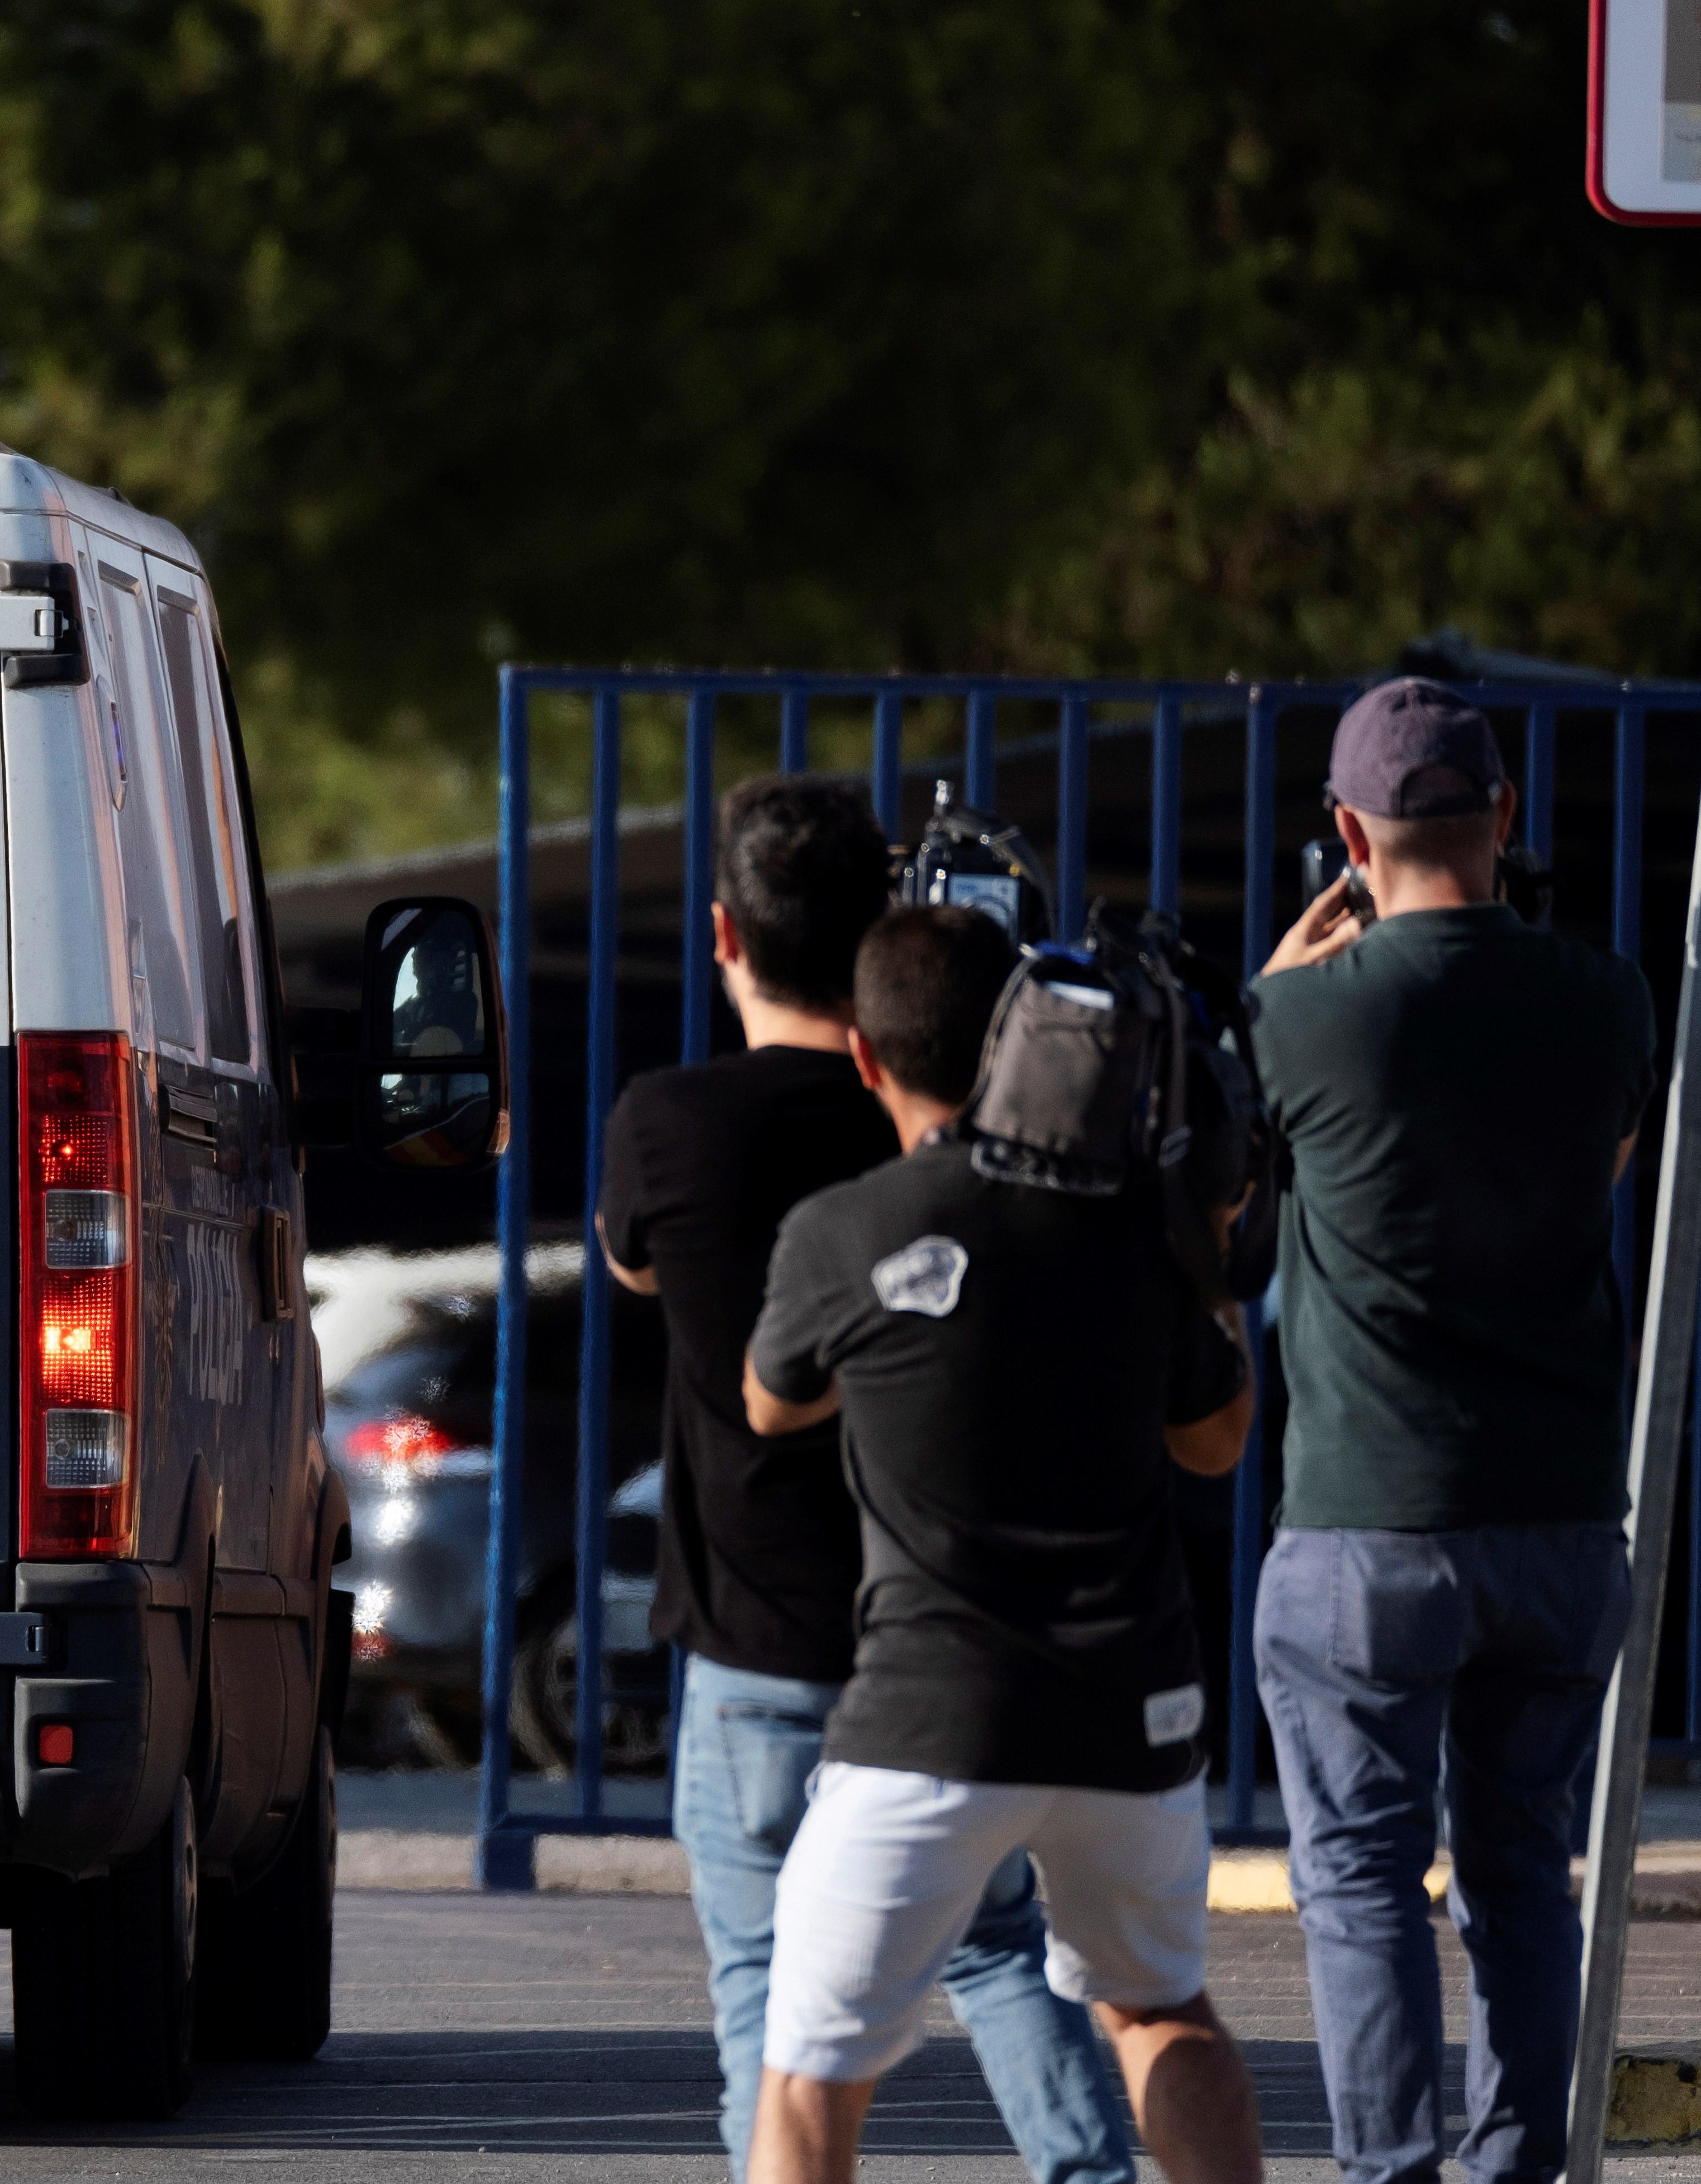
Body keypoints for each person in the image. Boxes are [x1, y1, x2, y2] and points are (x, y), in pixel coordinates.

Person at [599, 779, 1133, 2184]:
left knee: (763, 2001)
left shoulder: (663, 1123)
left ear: (719, 932)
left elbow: (633, 1263)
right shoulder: (921, 1120)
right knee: (1001, 1950)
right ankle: (1091, 2173)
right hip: (927, 1633)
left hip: (749, 1644)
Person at [742, 905, 1266, 2184]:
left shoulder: (845, 1228)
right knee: (1159, 2009)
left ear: (864, 1055)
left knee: (811, 2075)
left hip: (926, 1721)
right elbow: (1217, 1442)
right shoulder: (1134, 1221)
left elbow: (769, 1400)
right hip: (1128, 1715)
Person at [1252, 677, 1655, 2184]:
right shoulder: (1609, 995)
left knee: (1361, 1878)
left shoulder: (1297, 1016)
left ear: (1349, 836)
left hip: (1367, 1521)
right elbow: (1598, 1170)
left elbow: (1227, 1162)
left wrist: (1271, 976)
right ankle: (1513, 2171)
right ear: (1503, 817)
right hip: (1554, 1518)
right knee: (1521, 1877)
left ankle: (1392, 2170)